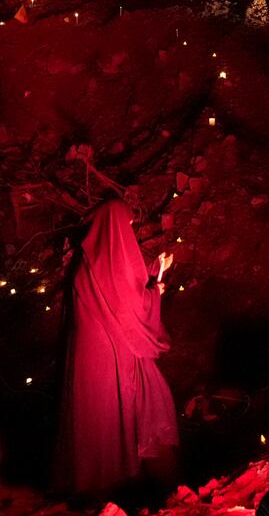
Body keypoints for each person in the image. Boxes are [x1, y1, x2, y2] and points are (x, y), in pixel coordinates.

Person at [57, 200, 178, 495]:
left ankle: (98, 479)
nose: (128, 232)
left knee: (98, 417)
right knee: (129, 409)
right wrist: (155, 293)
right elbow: (131, 307)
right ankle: (127, 482)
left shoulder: (90, 259)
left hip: (91, 357)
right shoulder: (108, 263)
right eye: (125, 226)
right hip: (114, 353)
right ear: (113, 227)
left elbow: (122, 279)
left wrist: (154, 270)